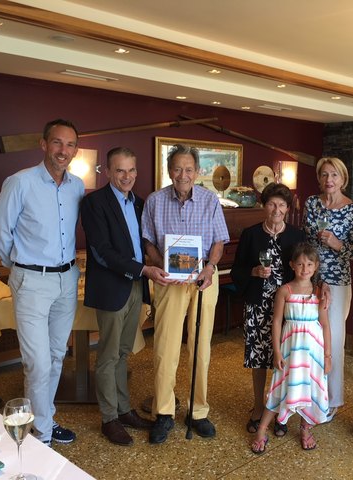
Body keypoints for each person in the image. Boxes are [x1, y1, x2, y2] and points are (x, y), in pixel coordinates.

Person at [0, 118, 84, 446]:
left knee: (58, 355)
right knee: (38, 362)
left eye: (70, 144)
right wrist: (20, 267)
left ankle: (43, 420)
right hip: (31, 279)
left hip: (67, 279)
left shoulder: (77, 185)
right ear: (44, 144)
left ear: (75, 150)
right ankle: (40, 438)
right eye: (57, 143)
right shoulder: (20, 183)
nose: (64, 150)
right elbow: (1, 233)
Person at [142, 144, 229, 444]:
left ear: (197, 172)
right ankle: (164, 412)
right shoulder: (154, 201)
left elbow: (219, 241)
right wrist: (160, 265)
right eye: (178, 168)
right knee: (165, 347)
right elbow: (148, 242)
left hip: (203, 279)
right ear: (169, 171)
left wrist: (210, 267)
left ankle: (197, 411)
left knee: (201, 346)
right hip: (169, 281)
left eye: (189, 169)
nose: (183, 175)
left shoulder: (210, 200)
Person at [81, 147, 155, 446]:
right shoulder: (94, 203)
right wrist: (142, 269)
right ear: (108, 172)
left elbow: (146, 241)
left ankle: (124, 410)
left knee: (124, 352)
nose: (127, 176)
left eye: (131, 171)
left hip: (136, 286)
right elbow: (101, 251)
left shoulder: (139, 202)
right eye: (120, 171)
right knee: (108, 356)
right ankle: (109, 417)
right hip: (113, 286)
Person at [231, 183, 305, 438]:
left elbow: (304, 268)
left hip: (287, 308)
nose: (277, 209)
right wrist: (253, 271)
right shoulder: (251, 234)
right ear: (265, 206)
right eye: (272, 204)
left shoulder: (296, 236)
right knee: (258, 359)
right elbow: (236, 271)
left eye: (282, 205)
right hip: (257, 305)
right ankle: (259, 407)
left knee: (283, 359)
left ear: (287, 208)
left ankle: (280, 410)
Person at [250, 243, 331, 454]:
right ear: (292, 265)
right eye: (300, 264)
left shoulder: (319, 293)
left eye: (309, 264)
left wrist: (328, 356)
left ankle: (305, 429)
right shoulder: (284, 291)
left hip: (313, 351)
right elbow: (276, 322)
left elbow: (325, 324)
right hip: (290, 350)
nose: (305, 268)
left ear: (316, 267)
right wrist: (276, 351)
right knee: (280, 388)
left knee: (311, 389)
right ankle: (262, 429)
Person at [303, 157, 353, 421]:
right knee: (310, 340)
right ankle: (309, 392)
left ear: (343, 179)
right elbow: (305, 243)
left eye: (334, 175)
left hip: (337, 283)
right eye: (324, 175)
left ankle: (332, 398)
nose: (329, 180)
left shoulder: (352, 209)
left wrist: (338, 244)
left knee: (333, 341)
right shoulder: (311, 204)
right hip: (310, 280)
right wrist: (311, 277)